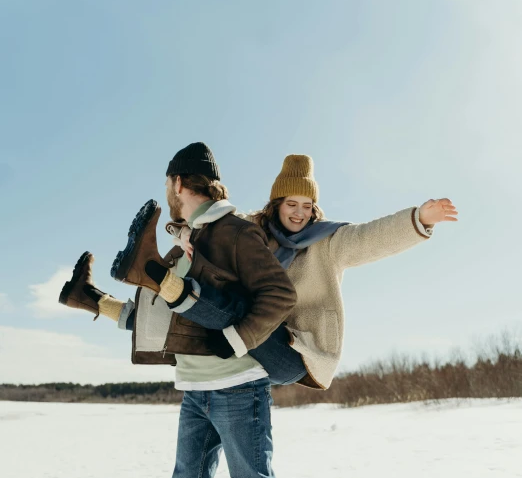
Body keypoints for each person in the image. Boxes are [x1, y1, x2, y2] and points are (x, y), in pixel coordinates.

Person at [59, 142, 298, 478]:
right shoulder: (187, 242)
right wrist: (94, 302)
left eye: (168, 186)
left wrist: (236, 340)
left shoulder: (234, 231)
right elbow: (158, 321)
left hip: (237, 387)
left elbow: (278, 294)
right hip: (194, 389)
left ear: (176, 184)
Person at [157, 153, 458, 390]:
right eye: (291, 204)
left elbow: (371, 237)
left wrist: (419, 219)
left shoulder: (327, 242)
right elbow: (207, 217)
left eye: (307, 205)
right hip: (256, 336)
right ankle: (141, 321)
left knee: (234, 305)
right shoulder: (252, 229)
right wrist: (182, 233)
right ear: (277, 204)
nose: (299, 213)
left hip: (298, 352)